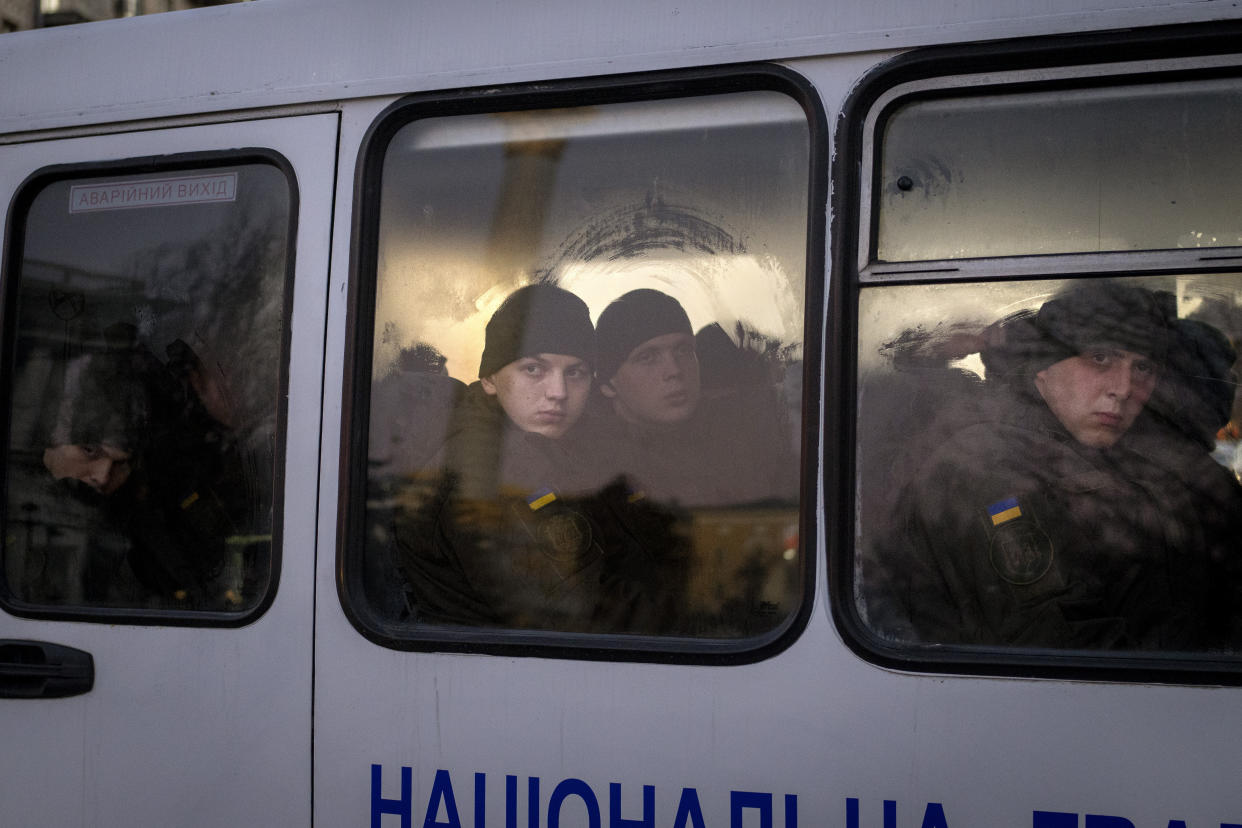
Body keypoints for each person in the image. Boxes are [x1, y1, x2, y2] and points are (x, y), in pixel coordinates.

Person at [868, 281, 1242, 650]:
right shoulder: (989, 465)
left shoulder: (1128, 458)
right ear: (1043, 369)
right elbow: (1060, 646)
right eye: (1100, 359)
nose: (1124, 388)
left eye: (1143, 367)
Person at [392, 283, 616, 631]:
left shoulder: (539, 442)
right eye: (533, 370)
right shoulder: (491, 470)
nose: (558, 392)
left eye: (575, 372)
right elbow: (570, 623)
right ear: (489, 379)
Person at [591, 288, 797, 509]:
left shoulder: (756, 431)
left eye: (683, 350)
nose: (674, 370)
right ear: (608, 384)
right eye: (647, 357)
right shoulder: (591, 461)